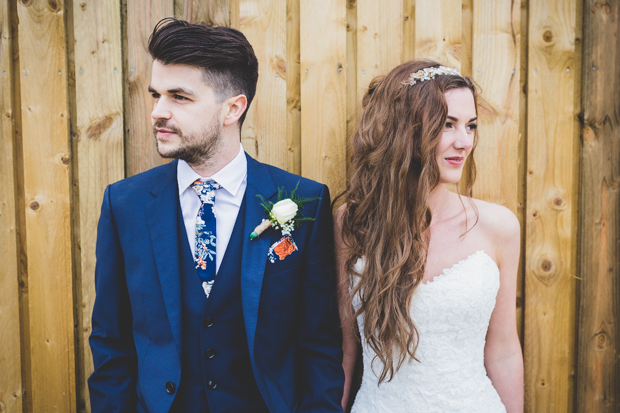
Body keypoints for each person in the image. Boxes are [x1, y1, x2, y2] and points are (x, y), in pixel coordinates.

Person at [88, 18, 344, 413]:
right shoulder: (125, 204)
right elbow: (111, 341)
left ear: (232, 108)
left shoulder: (304, 202)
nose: (158, 111)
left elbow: (319, 343)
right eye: (156, 95)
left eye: (179, 97)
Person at [335, 60, 524, 412]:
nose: (464, 141)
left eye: (470, 126)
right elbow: (347, 349)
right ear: (405, 129)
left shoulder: (499, 227)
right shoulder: (353, 223)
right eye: (447, 125)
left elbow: (504, 350)